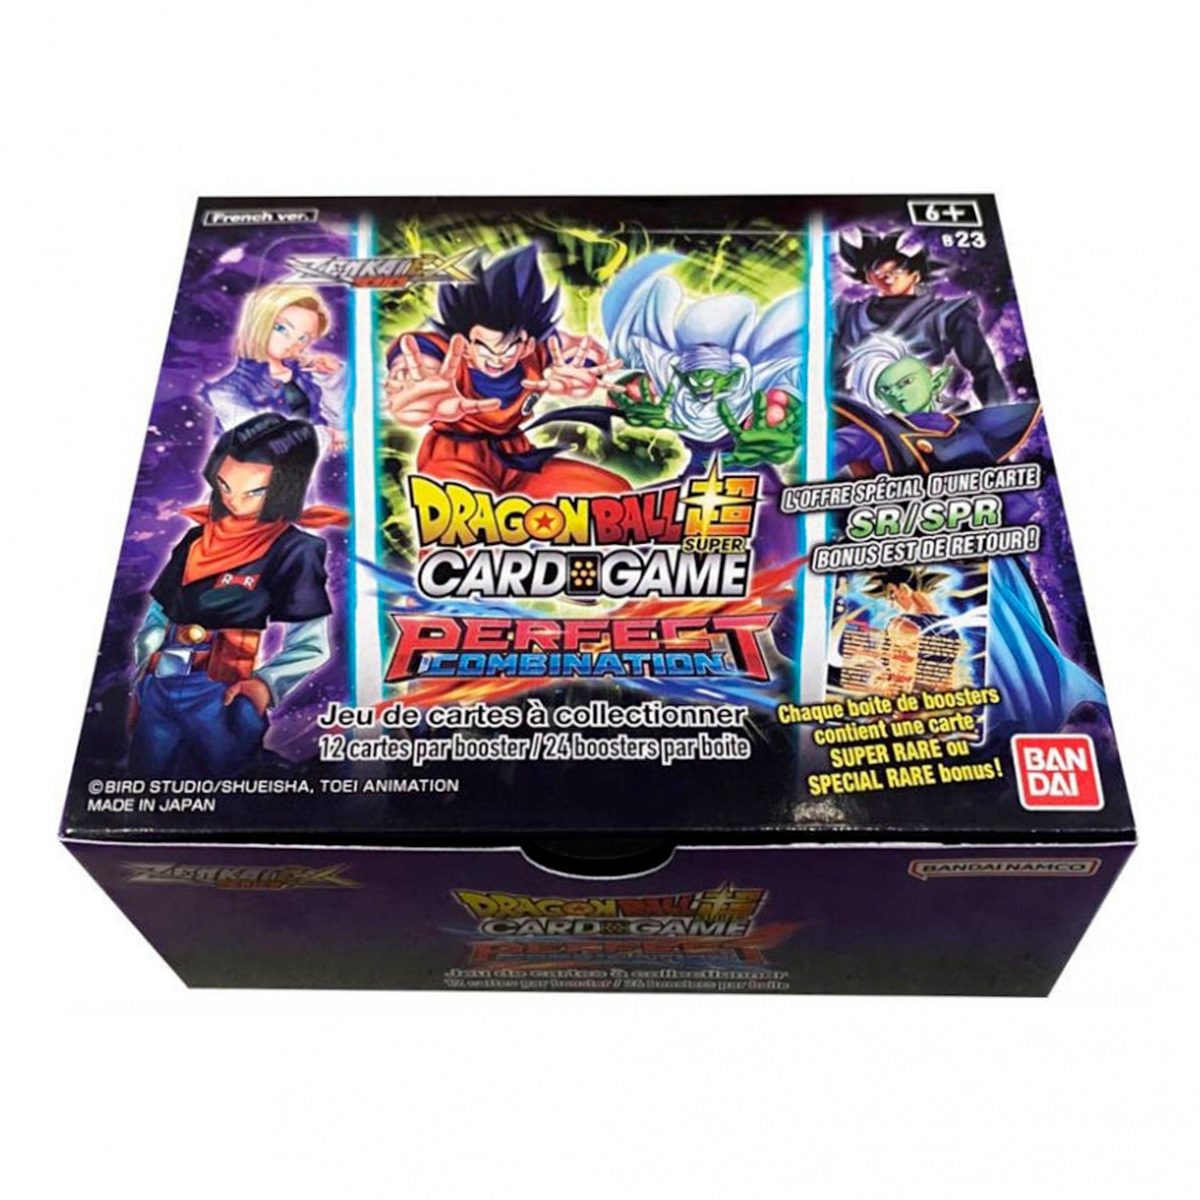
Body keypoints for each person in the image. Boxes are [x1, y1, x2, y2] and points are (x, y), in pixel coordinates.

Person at [129, 414, 347, 775]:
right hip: (160, 687)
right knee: (144, 784)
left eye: (254, 492)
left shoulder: (294, 550)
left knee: (230, 782)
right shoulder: (195, 540)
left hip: (220, 692)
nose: (234, 501)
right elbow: (158, 612)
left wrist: (264, 686)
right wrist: (145, 671)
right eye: (225, 485)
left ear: (285, 487)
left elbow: (310, 643)